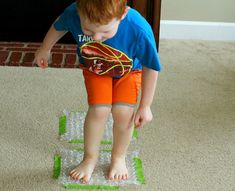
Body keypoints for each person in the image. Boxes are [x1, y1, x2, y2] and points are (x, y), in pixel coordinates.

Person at [35, 0, 161, 183]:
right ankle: (89, 158)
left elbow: (151, 67)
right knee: (99, 110)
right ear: (79, 13)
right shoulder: (74, 13)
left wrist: (146, 105)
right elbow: (58, 26)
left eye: (105, 32)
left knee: (123, 113)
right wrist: (45, 48)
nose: (96, 37)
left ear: (123, 14)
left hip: (129, 71)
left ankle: (118, 157)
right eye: (88, 31)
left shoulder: (139, 28)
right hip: (96, 69)